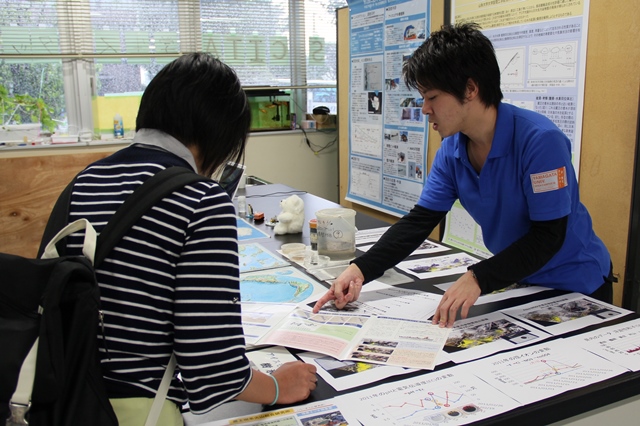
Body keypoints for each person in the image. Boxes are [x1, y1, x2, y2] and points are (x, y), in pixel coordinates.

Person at [64, 53, 316, 425]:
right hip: (131, 409)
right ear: (220, 132)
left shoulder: (84, 180)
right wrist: (278, 386)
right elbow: (214, 372)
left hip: (64, 392)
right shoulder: (199, 199)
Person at [313, 22, 613, 328]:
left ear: (470, 89)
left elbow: (548, 236)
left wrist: (477, 277)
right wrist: (360, 269)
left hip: (576, 283)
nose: (424, 109)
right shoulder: (452, 150)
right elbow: (420, 221)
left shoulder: (540, 142)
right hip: (520, 280)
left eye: (432, 97)